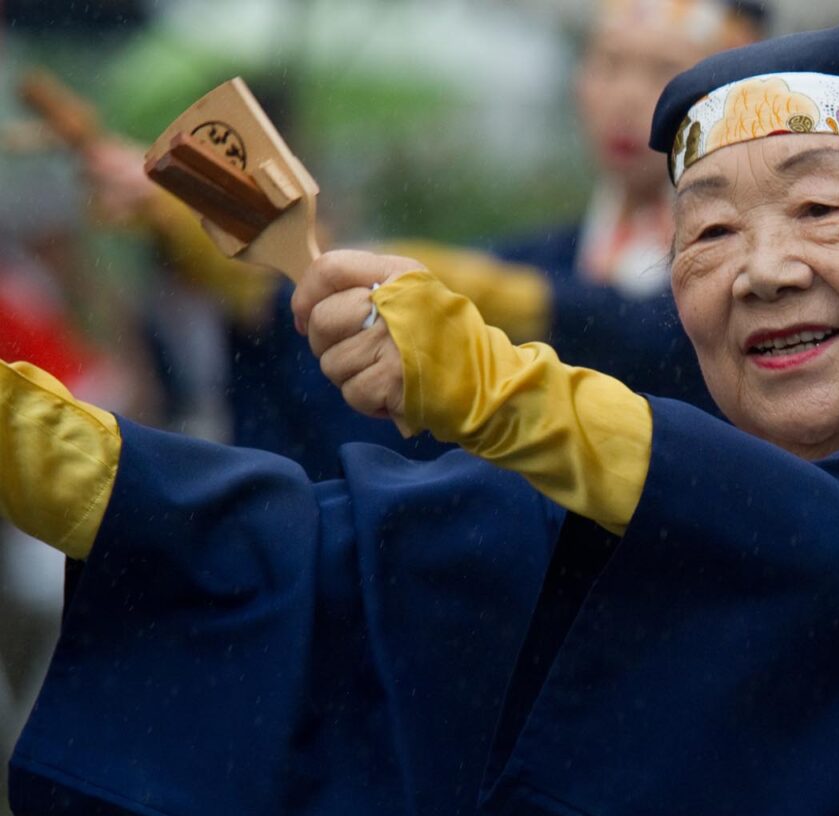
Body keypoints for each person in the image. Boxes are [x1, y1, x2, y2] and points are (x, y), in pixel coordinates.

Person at [0, 14, 839, 816]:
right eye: (707, 236)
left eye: (818, 210)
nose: (763, 269)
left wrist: (495, 386)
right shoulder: (665, 529)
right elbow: (322, 552)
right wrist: (31, 439)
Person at [80, 0, 771, 481]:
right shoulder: (539, 255)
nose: (629, 97)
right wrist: (259, 279)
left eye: (663, 70)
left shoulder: (762, 273)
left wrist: (435, 287)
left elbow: (645, 336)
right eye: (609, 63)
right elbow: (381, 435)